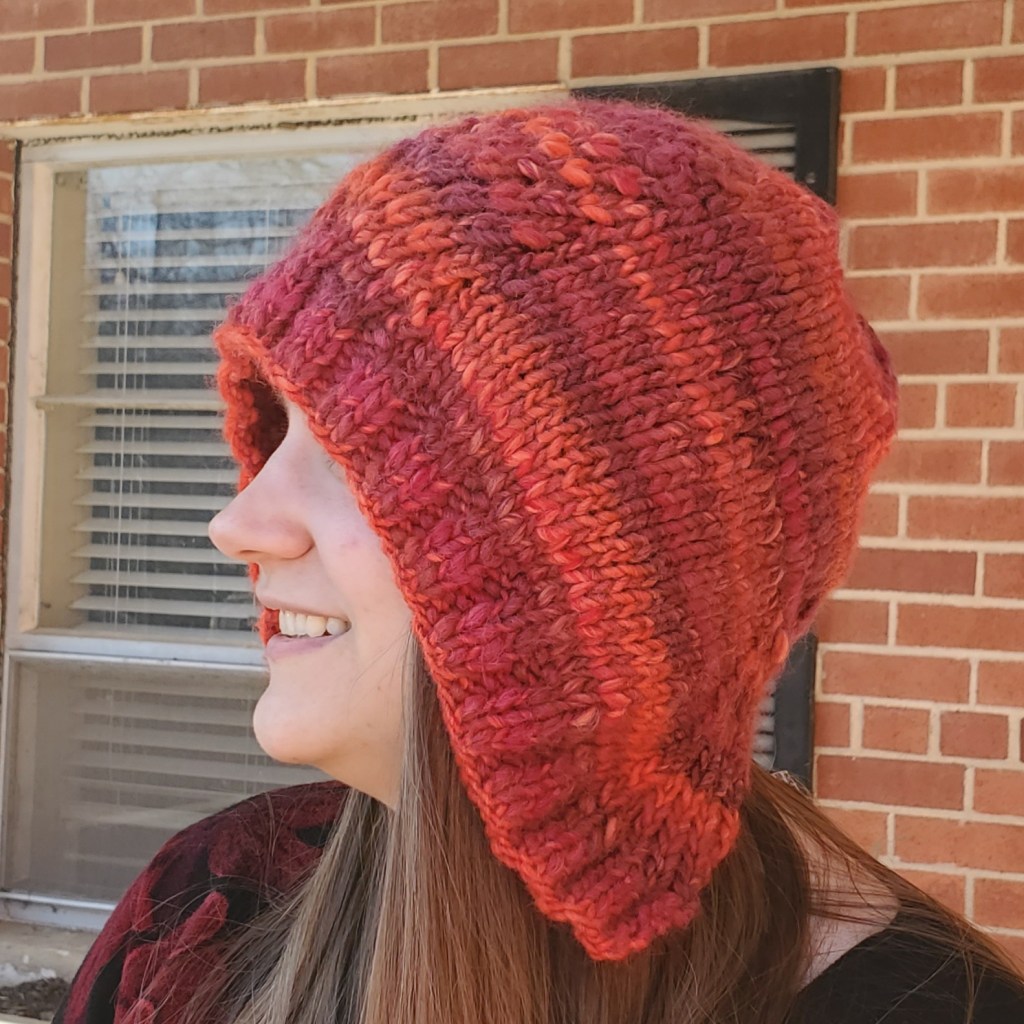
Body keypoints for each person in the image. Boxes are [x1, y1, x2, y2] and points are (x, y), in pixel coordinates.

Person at [56, 100, 1024, 1024]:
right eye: (280, 432)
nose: (237, 523)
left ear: (593, 580)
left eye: (352, 452)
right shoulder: (201, 917)